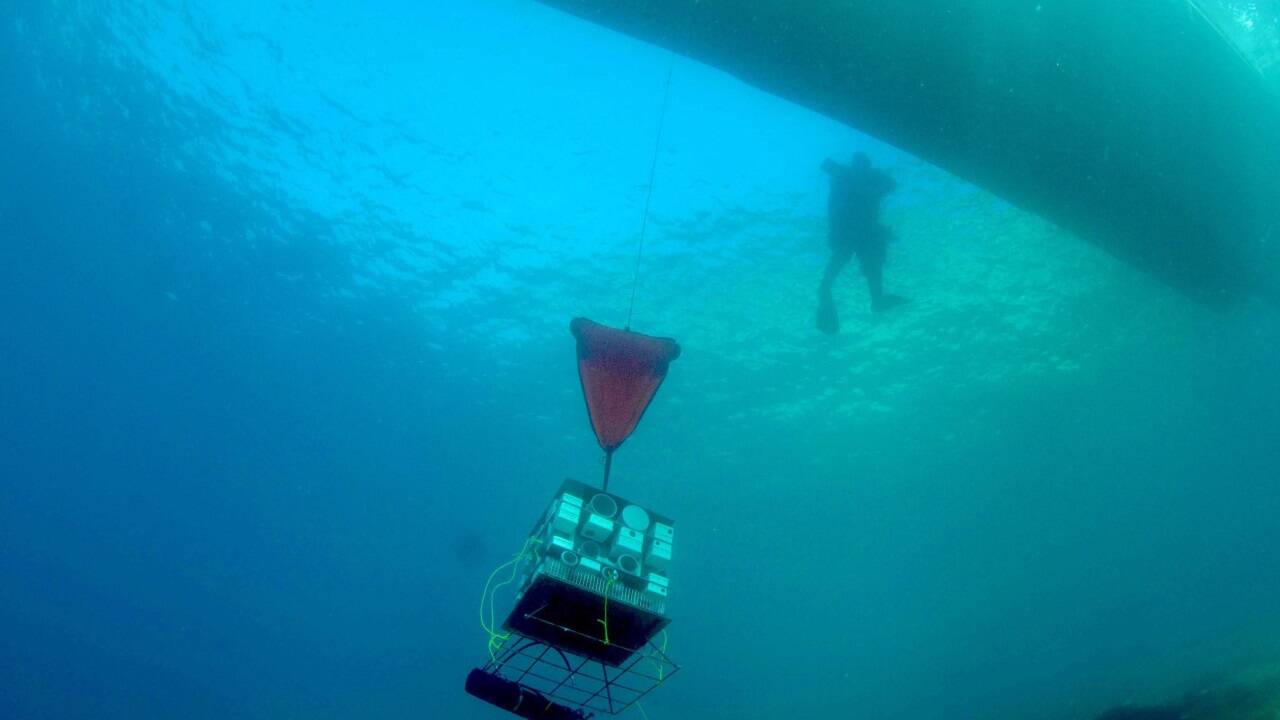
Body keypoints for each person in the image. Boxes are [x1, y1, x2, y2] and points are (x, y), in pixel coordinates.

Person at [816, 152, 909, 334]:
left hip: (864, 233)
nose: (861, 168)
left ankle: (877, 300)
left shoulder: (873, 177)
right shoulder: (843, 174)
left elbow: (891, 185)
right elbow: (826, 166)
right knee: (843, 262)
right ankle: (826, 291)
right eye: (859, 164)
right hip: (848, 232)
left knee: (872, 265)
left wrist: (865, 184)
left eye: (864, 165)